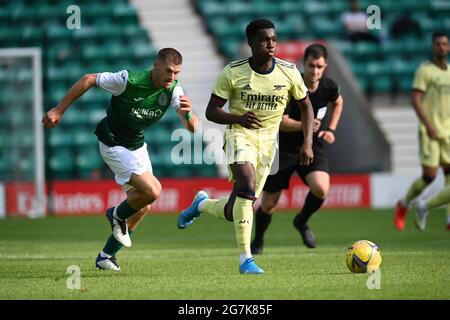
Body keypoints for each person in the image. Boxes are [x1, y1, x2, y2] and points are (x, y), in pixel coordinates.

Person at [176, 19, 314, 274]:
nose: (270, 44)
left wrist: (307, 143)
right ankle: (245, 260)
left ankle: (202, 204)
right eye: (264, 40)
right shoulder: (233, 72)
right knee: (247, 187)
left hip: (268, 145)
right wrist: (238, 119)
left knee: (236, 208)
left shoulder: (288, 72)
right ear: (250, 43)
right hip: (239, 136)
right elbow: (211, 111)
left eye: (273, 39)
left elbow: (306, 106)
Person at [42, 48, 199, 270]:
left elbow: (193, 129)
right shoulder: (128, 80)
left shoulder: (173, 90)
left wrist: (189, 114)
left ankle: (106, 256)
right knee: (153, 191)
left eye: (177, 73)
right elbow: (88, 79)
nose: (172, 77)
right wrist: (59, 110)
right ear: (156, 65)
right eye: (168, 71)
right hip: (113, 142)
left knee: (143, 206)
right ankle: (116, 215)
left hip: (136, 145)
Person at [250, 44, 343, 253]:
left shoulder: (328, 87)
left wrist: (331, 129)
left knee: (321, 188)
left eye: (319, 66)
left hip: (311, 144)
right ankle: (258, 240)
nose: (315, 71)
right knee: (270, 203)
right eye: (311, 65)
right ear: (304, 64)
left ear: (325, 66)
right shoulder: (290, 86)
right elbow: (280, 122)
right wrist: (305, 124)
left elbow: (338, 102)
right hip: (282, 147)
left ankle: (301, 221)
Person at [394, 32, 450, 231]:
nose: (442, 47)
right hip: (431, 130)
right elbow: (415, 99)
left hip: (448, 131)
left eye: (445, 44)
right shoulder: (425, 70)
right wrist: (428, 125)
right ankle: (404, 204)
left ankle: (448, 218)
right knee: (430, 176)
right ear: (433, 47)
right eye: (438, 44)